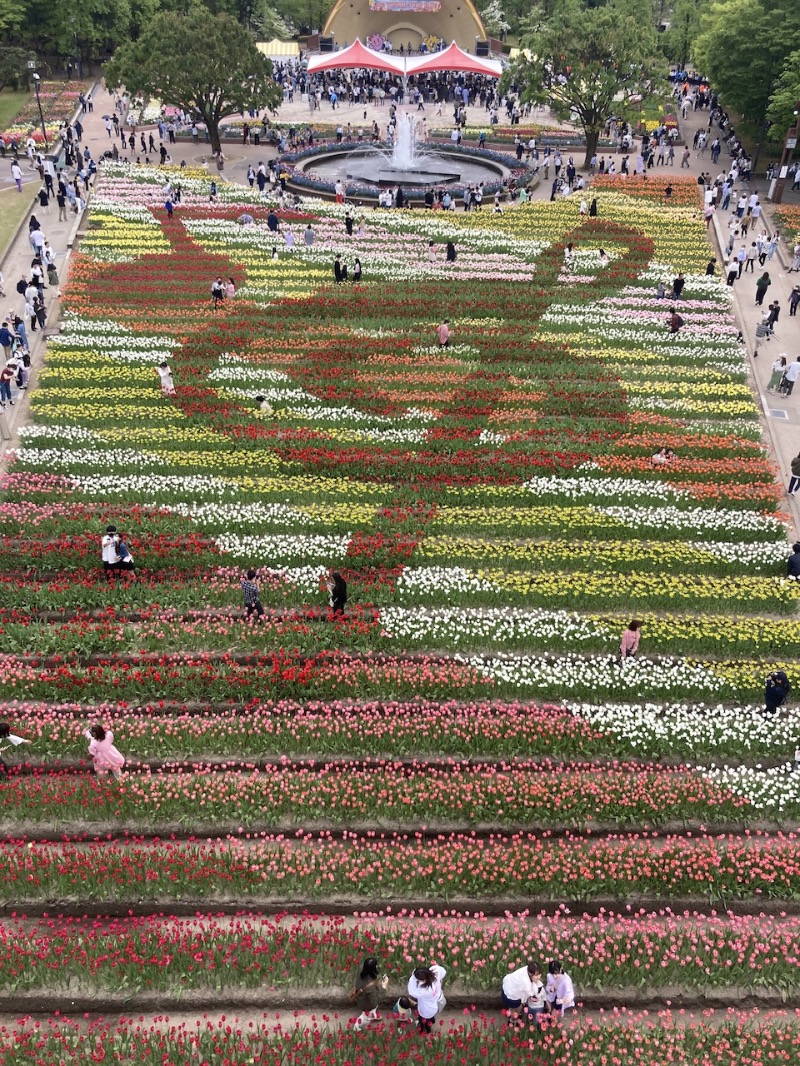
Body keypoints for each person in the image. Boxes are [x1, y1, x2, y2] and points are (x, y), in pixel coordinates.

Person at [501, 960, 546, 1027]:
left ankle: (512, 1013)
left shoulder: (527, 968)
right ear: (530, 974)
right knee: (518, 1008)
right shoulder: (526, 982)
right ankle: (512, 1020)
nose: (539, 977)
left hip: (508, 985)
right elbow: (532, 993)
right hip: (511, 995)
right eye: (536, 975)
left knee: (515, 1008)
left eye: (539, 974)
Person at [407, 964, 447, 1034]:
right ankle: (432, 1021)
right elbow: (443, 972)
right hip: (435, 1004)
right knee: (430, 1018)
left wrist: (413, 977)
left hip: (426, 1009)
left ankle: (426, 1030)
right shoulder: (435, 971)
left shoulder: (423, 991)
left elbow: (411, 991)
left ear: (423, 980)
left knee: (423, 1022)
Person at [352, 956, 387, 1030]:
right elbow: (375, 1002)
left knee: (373, 1009)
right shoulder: (370, 987)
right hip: (366, 1004)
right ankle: (356, 1027)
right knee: (366, 1017)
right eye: (376, 966)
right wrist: (384, 987)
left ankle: (374, 1014)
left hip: (360, 995)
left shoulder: (361, 968)